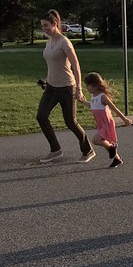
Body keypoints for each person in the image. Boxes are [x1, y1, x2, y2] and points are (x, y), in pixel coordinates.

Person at [36, 10, 94, 164]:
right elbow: (53, 65)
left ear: (55, 24)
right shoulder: (49, 42)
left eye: (47, 25)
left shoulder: (64, 42)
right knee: (41, 116)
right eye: (42, 26)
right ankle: (55, 150)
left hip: (67, 88)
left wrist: (79, 89)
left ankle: (88, 150)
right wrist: (47, 81)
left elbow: (76, 66)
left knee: (70, 121)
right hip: (51, 87)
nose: (44, 28)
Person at [83, 71, 132, 168]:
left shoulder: (103, 97)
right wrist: (82, 101)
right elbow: (92, 105)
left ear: (96, 86)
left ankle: (112, 148)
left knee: (95, 140)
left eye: (89, 86)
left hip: (106, 123)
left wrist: (125, 119)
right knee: (106, 142)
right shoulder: (93, 96)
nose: (87, 88)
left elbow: (115, 109)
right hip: (101, 124)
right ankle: (117, 159)